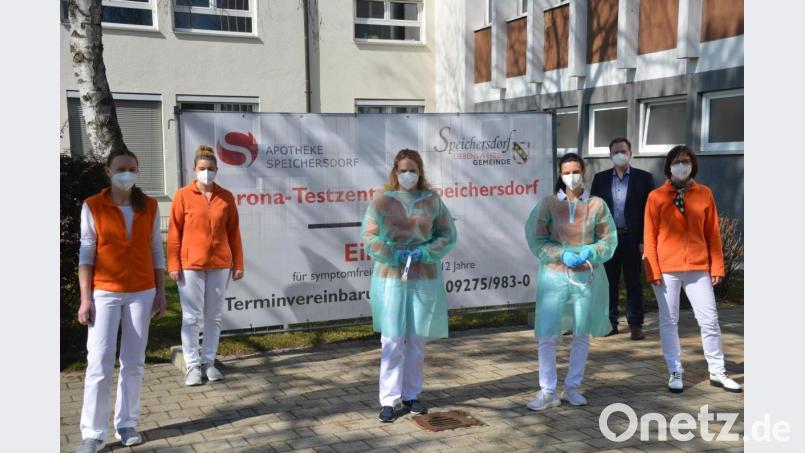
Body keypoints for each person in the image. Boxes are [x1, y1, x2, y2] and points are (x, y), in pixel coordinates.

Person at [75, 148, 167, 453]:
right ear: (108, 171)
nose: (127, 173)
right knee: (99, 363)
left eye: (133, 168)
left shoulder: (150, 206)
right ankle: (93, 433)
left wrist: (161, 291)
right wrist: (85, 298)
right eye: (121, 168)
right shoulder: (93, 206)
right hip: (105, 291)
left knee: (133, 362)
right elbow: (87, 254)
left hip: (142, 292)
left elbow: (156, 250)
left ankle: (127, 423)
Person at [361, 149, 457, 423]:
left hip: (423, 274)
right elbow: (369, 236)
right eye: (403, 169)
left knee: (416, 338)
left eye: (413, 169)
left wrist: (425, 252)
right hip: (391, 275)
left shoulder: (431, 201)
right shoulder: (381, 201)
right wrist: (392, 253)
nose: (408, 174)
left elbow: (447, 234)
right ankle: (388, 400)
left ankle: (412, 394)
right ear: (395, 171)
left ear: (420, 171)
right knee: (391, 339)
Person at [643, 146, 742, 394]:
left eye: (686, 161)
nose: (681, 166)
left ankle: (717, 371)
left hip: (698, 267)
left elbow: (713, 233)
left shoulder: (704, 194)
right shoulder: (656, 197)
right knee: (669, 321)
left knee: (709, 320)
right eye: (677, 162)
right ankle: (675, 370)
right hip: (667, 269)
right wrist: (652, 269)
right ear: (669, 166)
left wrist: (717, 264)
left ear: (693, 165)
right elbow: (650, 236)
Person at [524, 152, 617, 410]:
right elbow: (537, 239)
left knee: (581, 332)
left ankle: (573, 387)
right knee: (547, 333)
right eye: (566, 172)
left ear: (583, 172)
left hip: (586, 275)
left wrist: (591, 251)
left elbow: (608, 239)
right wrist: (560, 253)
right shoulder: (549, 204)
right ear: (560, 174)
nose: (572, 176)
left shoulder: (597, 205)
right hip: (554, 274)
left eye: (575, 171)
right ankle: (547, 390)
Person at [168, 145, 244, 386]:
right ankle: (192, 365)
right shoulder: (182, 195)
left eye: (211, 169)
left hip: (220, 264)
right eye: (202, 169)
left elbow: (233, 232)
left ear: (217, 170)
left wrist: (238, 262)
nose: (207, 173)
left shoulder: (226, 196)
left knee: (214, 316)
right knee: (191, 317)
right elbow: (173, 233)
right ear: (194, 170)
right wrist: (173, 264)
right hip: (190, 264)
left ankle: (208, 362)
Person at [590, 138, 655, 340]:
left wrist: (645, 239)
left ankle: (636, 324)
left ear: (630, 153)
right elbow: (593, 210)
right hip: (608, 239)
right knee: (608, 282)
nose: (620, 154)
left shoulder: (644, 178)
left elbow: (650, 213)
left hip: (632, 238)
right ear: (610, 155)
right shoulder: (600, 179)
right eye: (616, 151)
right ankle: (610, 322)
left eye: (623, 151)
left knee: (634, 282)